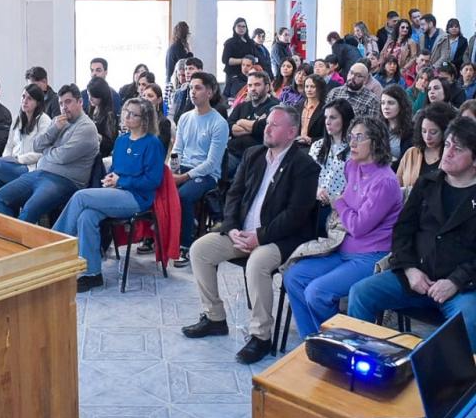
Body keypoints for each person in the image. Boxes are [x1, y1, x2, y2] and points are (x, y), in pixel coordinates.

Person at [181, 105, 320, 364]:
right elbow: (233, 194)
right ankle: (214, 318)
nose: (267, 128)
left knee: (256, 263)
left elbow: (296, 215)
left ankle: (261, 336)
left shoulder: (304, 165)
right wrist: (231, 226)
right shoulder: (253, 154)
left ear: (291, 132)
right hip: (241, 233)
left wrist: (259, 236)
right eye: (267, 123)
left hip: (280, 239)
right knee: (200, 250)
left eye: (274, 125)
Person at [349, 117, 476, 352]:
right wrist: (410, 269)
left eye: (457, 149)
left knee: (468, 319)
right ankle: (361, 362)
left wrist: (456, 281)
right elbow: (402, 231)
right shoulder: (427, 184)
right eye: (447, 144)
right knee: (360, 293)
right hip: (417, 275)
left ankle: (444, 385)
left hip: (461, 287)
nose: (447, 153)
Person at [284, 117, 402, 339]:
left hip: (370, 256)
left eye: (359, 137)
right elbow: (351, 213)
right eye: (351, 137)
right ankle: (312, 340)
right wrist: (343, 205)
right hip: (342, 247)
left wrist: (337, 202)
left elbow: (358, 226)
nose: (353, 143)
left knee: (317, 292)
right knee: (294, 276)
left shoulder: (385, 181)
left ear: (376, 142)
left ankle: (335, 344)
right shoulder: (352, 167)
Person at [53, 98, 165, 293]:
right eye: (126, 112)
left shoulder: (152, 143)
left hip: (137, 198)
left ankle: (52, 246)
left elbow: (152, 181)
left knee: (81, 197)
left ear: (144, 119)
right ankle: (92, 274)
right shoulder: (121, 141)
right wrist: (110, 178)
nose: (127, 116)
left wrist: (120, 181)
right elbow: (115, 169)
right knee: (87, 216)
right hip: (117, 192)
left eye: (133, 114)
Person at [0, 84, 99, 224]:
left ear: (80, 102)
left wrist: (46, 151)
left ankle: (20, 243)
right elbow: (37, 146)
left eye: (68, 102)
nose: (64, 107)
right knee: (1, 197)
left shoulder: (86, 127)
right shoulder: (59, 121)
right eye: (61, 103)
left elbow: (62, 157)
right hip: (40, 173)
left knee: (29, 209)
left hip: (64, 181)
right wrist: (54, 129)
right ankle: (11, 239)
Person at [170, 72, 229, 267]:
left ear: (210, 92)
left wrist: (183, 177)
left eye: (198, 88)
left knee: (184, 196)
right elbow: (177, 150)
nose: (192, 92)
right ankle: (157, 237)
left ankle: (186, 245)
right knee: (159, 188)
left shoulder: (218, 123)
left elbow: (212, 163)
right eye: (191, 88)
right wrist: (174, 170)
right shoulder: (185, 118)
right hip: (185, 168)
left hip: (206, 174)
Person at [309, 99, 354, 236]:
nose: (327, 122)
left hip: (340, 206)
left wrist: (335, 198)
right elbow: (308, 176)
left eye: (333, 117)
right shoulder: (317, 146)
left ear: (345, 119)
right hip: (314, 201)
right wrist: (316, 190)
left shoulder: (354, 150)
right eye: (326, 117)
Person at [396, 102, 457, 189]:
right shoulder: (411, 153)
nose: (427, 137)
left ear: (445, 131)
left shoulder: (451, 156)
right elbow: (397, 186)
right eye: (424, 131)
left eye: (433, 132)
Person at [227, 71, 279, 170]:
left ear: (267, 87)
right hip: (233, 153)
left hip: (258, 157)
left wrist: (241, 122)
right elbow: (229, 126)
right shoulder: (242, 106)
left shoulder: (275, 106)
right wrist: (254, 127)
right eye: (250, 85)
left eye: (257, 85)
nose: (253, 89)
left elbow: (265, 128)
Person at [380, 85, 414, 169]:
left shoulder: (411, 132)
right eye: (383, 103)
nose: (385, 107)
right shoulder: (377, 127)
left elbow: (405, 163)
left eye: (391, 103)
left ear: (401, 105)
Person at [86, 76, 118, 157]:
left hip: (102, 154)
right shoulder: (92, 108)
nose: (90, 99)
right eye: (89, 95)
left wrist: (97, 136)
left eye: (93, 96)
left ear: (102, 95)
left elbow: (111, 144)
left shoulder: (109, 114)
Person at [170, 57, 203, 125]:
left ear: (200, 71)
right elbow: (172, 114)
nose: (187, 72)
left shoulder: (204, 91)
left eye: (191, 68)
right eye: (186, 69)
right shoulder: (180, 92)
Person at [142, 83, 173, 152]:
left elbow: (160, 149)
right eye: (143, 95)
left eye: (150, 96)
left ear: (159, 100)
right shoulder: (138, 119)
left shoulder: (164, 122)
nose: (145, 99)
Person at [296, 74, 326, 146]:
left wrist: (311, 140)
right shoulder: (297, 106)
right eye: (306, 86)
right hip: (296, 144)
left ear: (320, 88)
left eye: (313, 87)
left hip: (314, 146)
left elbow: (326, 136)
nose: (309, 90)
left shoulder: (325, 109)